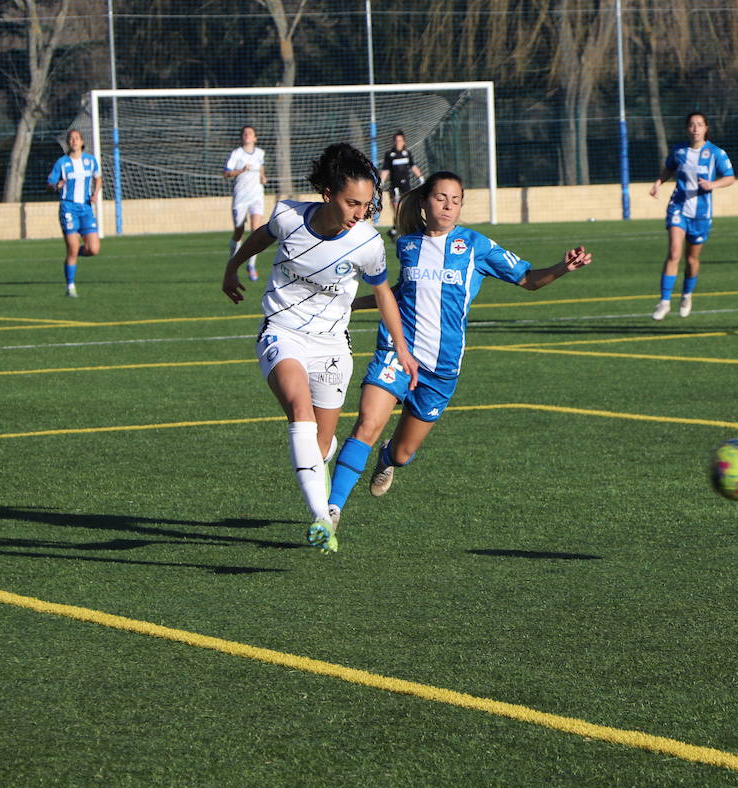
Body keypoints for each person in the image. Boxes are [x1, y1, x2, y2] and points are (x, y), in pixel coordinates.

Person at [325, 171, 592, 533]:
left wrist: (564, 267)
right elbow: (403, 292)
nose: (449, 206)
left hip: (441, 367)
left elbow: (528, 280)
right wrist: (352, 305)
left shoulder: (476, 246)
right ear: (425, 202)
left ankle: (388, 457)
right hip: (396, 352)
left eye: (456, 200)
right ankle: (330, 512)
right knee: (366, 425)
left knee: (402, 453)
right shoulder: (407, 245)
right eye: (440, 198)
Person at [221, 143, 418, 554]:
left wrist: (402, 347)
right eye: (351, 203)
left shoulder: (366, 242)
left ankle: (316, 476)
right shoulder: (289, 216)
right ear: (327, 194)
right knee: (299, 410)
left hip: (332, 345)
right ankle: (320, 517)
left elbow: (383, 294)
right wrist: (232, 267)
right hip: (282, 332)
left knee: (322, 445)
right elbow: (261, 237)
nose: (360, 213)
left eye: (366, 205)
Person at [648, 112, 736, 320]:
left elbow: (730, 177)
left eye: (699, 125)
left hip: (701, 214)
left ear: (706, 128)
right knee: (674, 253)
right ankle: (664, 301)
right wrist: (658, 183)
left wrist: (712, 184)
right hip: (678, 207)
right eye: (691, 125)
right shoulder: (679, 151)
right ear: (687, 129)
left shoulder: (716, 153)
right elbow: (669, 168)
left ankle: (686, 295)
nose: (695, 128)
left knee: (691, 258)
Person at [47, 128, 101, 298]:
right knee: (72, 245)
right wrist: (56, 185)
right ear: (68, 143)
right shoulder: (62, 163)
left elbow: (98, 177)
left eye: (77, 138)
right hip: (68, 208)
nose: (74, 141)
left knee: (94, 249)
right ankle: (70, 287)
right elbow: (50, 181)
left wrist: (95, 193)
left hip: (85, 208)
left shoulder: (90, 161)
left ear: (82, 142)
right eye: (71, 139)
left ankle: (74, 251)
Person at [222, 125, 267, 280]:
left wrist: (262, 177)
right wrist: (240, 170)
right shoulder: (237, 154)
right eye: (245, 133)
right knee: (239, 231)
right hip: (241, 197)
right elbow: (226, 173)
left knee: (256, 231)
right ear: (242, 137)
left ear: (255, 138)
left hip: (257, 196)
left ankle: (251, 265)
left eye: (250, 133)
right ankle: (233, 262)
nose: (247, 135)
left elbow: (261, 167)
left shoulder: (260, 153)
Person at [380, 131, 423, 240]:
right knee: (396, 208)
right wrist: (380, 183)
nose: (398, 143)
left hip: (406, 186)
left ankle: (396, 229)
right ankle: (398, 229)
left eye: (400, 140)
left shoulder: (407, 153)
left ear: (404, 142)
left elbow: (413, 166)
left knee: (407, 207)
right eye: (396, 141)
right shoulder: (390, 155)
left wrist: (421, 178)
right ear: (393, 142)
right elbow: (385, 170)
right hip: (395, 187)